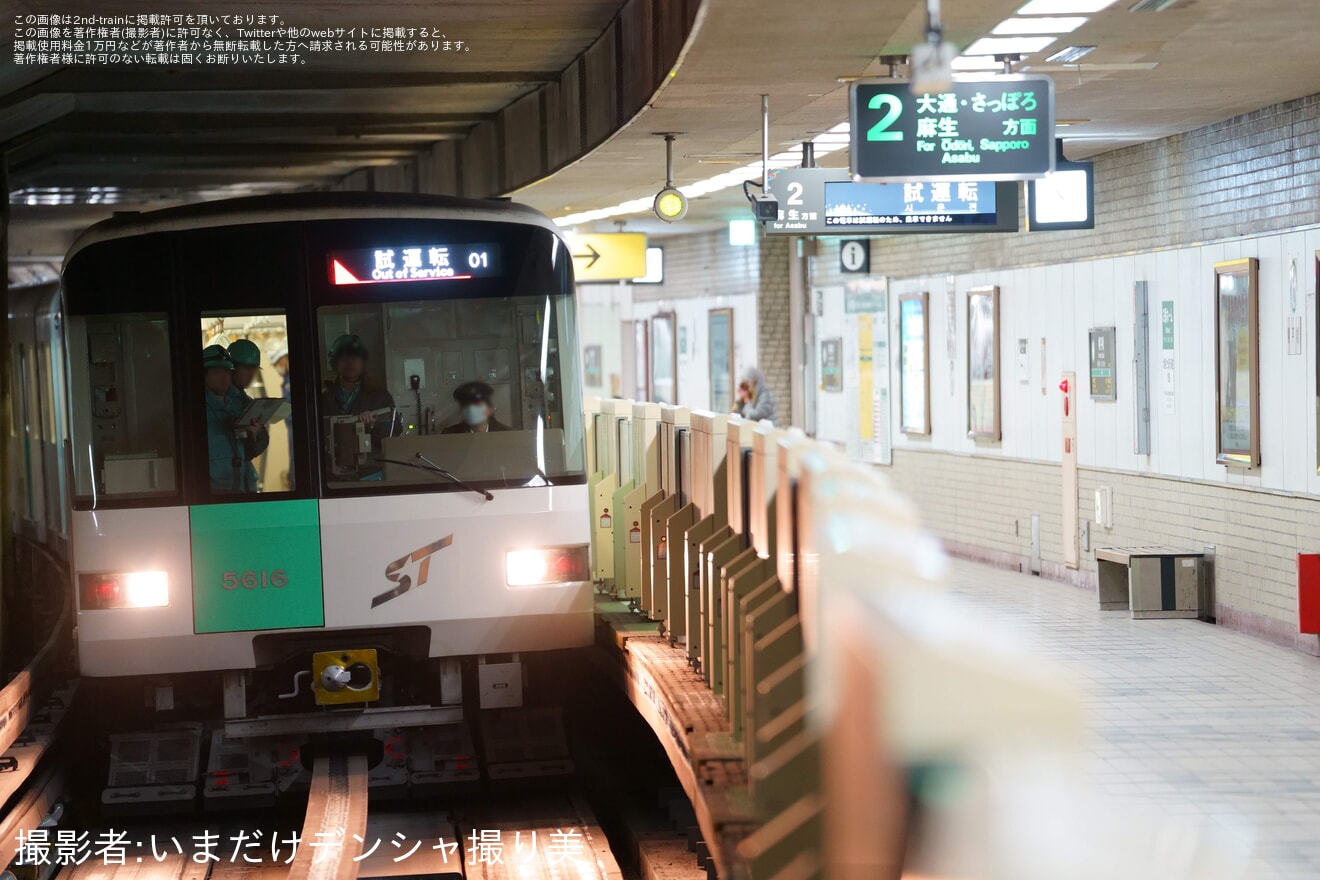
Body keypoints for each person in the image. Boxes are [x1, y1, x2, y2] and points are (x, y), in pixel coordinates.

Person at [321, 334, 396, 477]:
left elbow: (394, 434)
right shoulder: (323, 397)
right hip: (332, 477)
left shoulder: (379, 396)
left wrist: (372, 427)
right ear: (334, 362)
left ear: (363, 362)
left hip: (369, 474)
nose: (350, 363)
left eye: (355, 357)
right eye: (344, 358)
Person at [203, 344, 267, 492]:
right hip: (216, 492)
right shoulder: (198, 410)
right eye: (216, 372)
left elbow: (249, 451)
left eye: (227, 371)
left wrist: (254, 435)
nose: (224, 377)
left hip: (243, 487)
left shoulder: (238, 405)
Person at [442, 381, 511, 434]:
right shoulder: (448, 435)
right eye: (466, 405)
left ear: (489, 409)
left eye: (476, 404)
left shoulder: (507, 434)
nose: (471, 409)